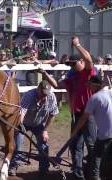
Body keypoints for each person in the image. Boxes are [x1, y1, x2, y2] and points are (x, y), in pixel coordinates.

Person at [41, 36, 97, 180]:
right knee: (75, 145)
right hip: (76, 116)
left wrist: (78, 45)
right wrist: (45, 74)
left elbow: (89, 60)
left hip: (89, 115)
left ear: (81, 62)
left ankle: (93, 173)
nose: (71, 66)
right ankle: (78, 174)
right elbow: (56, 85)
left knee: (91, 145)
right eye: (70, 64)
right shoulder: (72, 77)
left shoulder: (88, 72)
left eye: (73, 63)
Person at [8, 80, 59, 176]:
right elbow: (22, 112)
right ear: (38, 89)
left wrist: (45, 131)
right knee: (18, 143)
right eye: (42, 94)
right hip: (25, 123)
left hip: (39, 124)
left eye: (46, 94)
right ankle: (14, 166)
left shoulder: (51, 97)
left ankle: (44, 168)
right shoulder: (29, 95)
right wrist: (20, 126)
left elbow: (53, 114)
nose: (44, 96)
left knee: (43, 144)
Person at [70, 75, 112, 180]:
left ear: (95, 85)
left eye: (90, 85)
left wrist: (75, 131)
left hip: (105, 133)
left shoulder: (94, 98)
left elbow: (84, 118)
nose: (89, 87)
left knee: (96, 157)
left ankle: (95, 177)